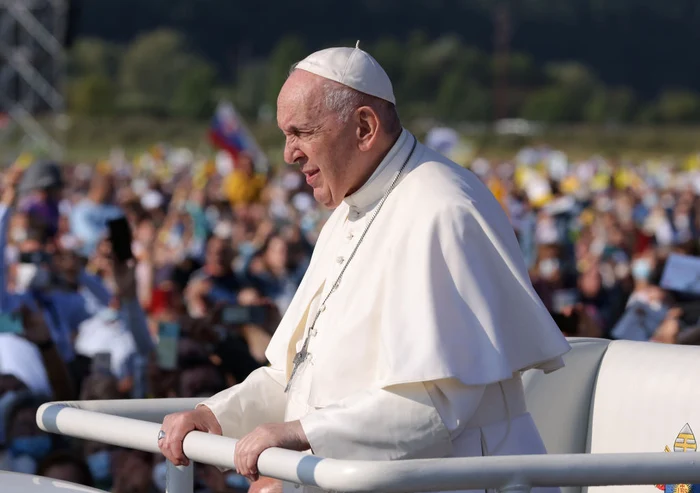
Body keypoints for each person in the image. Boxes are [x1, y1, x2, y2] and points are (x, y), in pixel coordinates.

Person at [158, 43, 571, 493]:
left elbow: (435, 404)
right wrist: (214, 416)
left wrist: (302, 438)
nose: (288, 155)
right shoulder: (350, 210)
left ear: (364, 126)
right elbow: (300, 376)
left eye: (301, 132)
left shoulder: (441, 208)